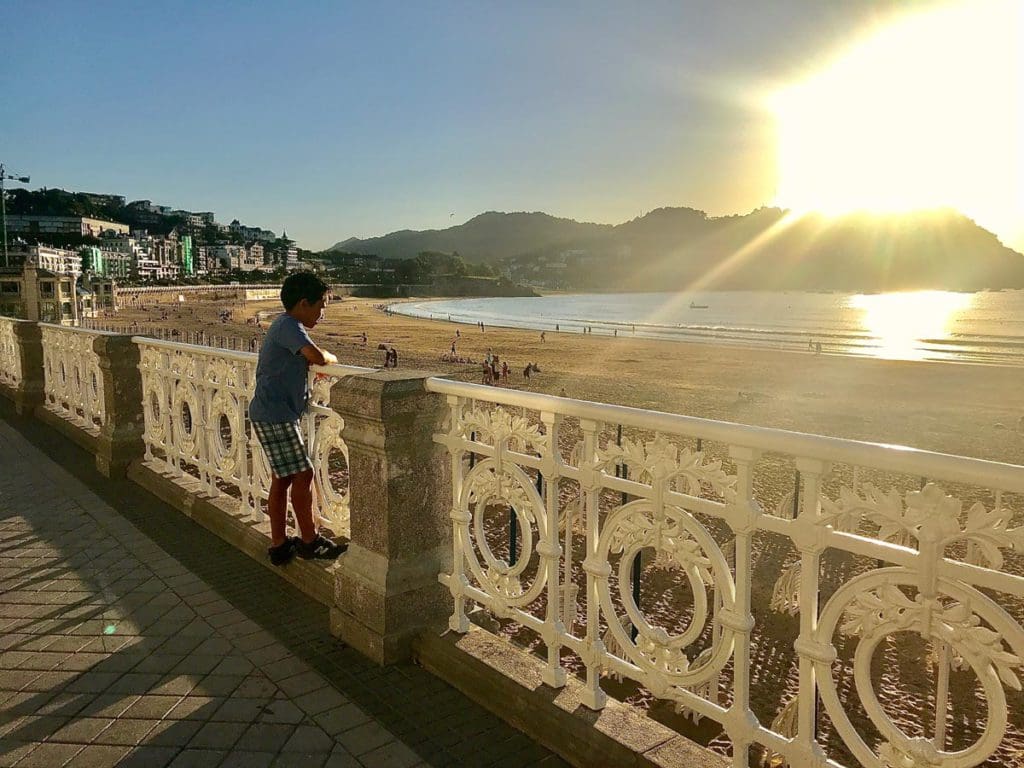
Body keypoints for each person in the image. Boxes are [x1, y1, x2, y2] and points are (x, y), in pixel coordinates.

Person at [248, 272, 346, 564]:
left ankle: (279, 545)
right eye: (321, 305)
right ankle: (309, 541)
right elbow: (315, 356)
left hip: (270, 412)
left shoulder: (285, 325)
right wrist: (330, 357)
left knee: (283, 477)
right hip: (276, 415)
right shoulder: (288, 325)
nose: (322, 312)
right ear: (304, 303)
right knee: (304, 474)